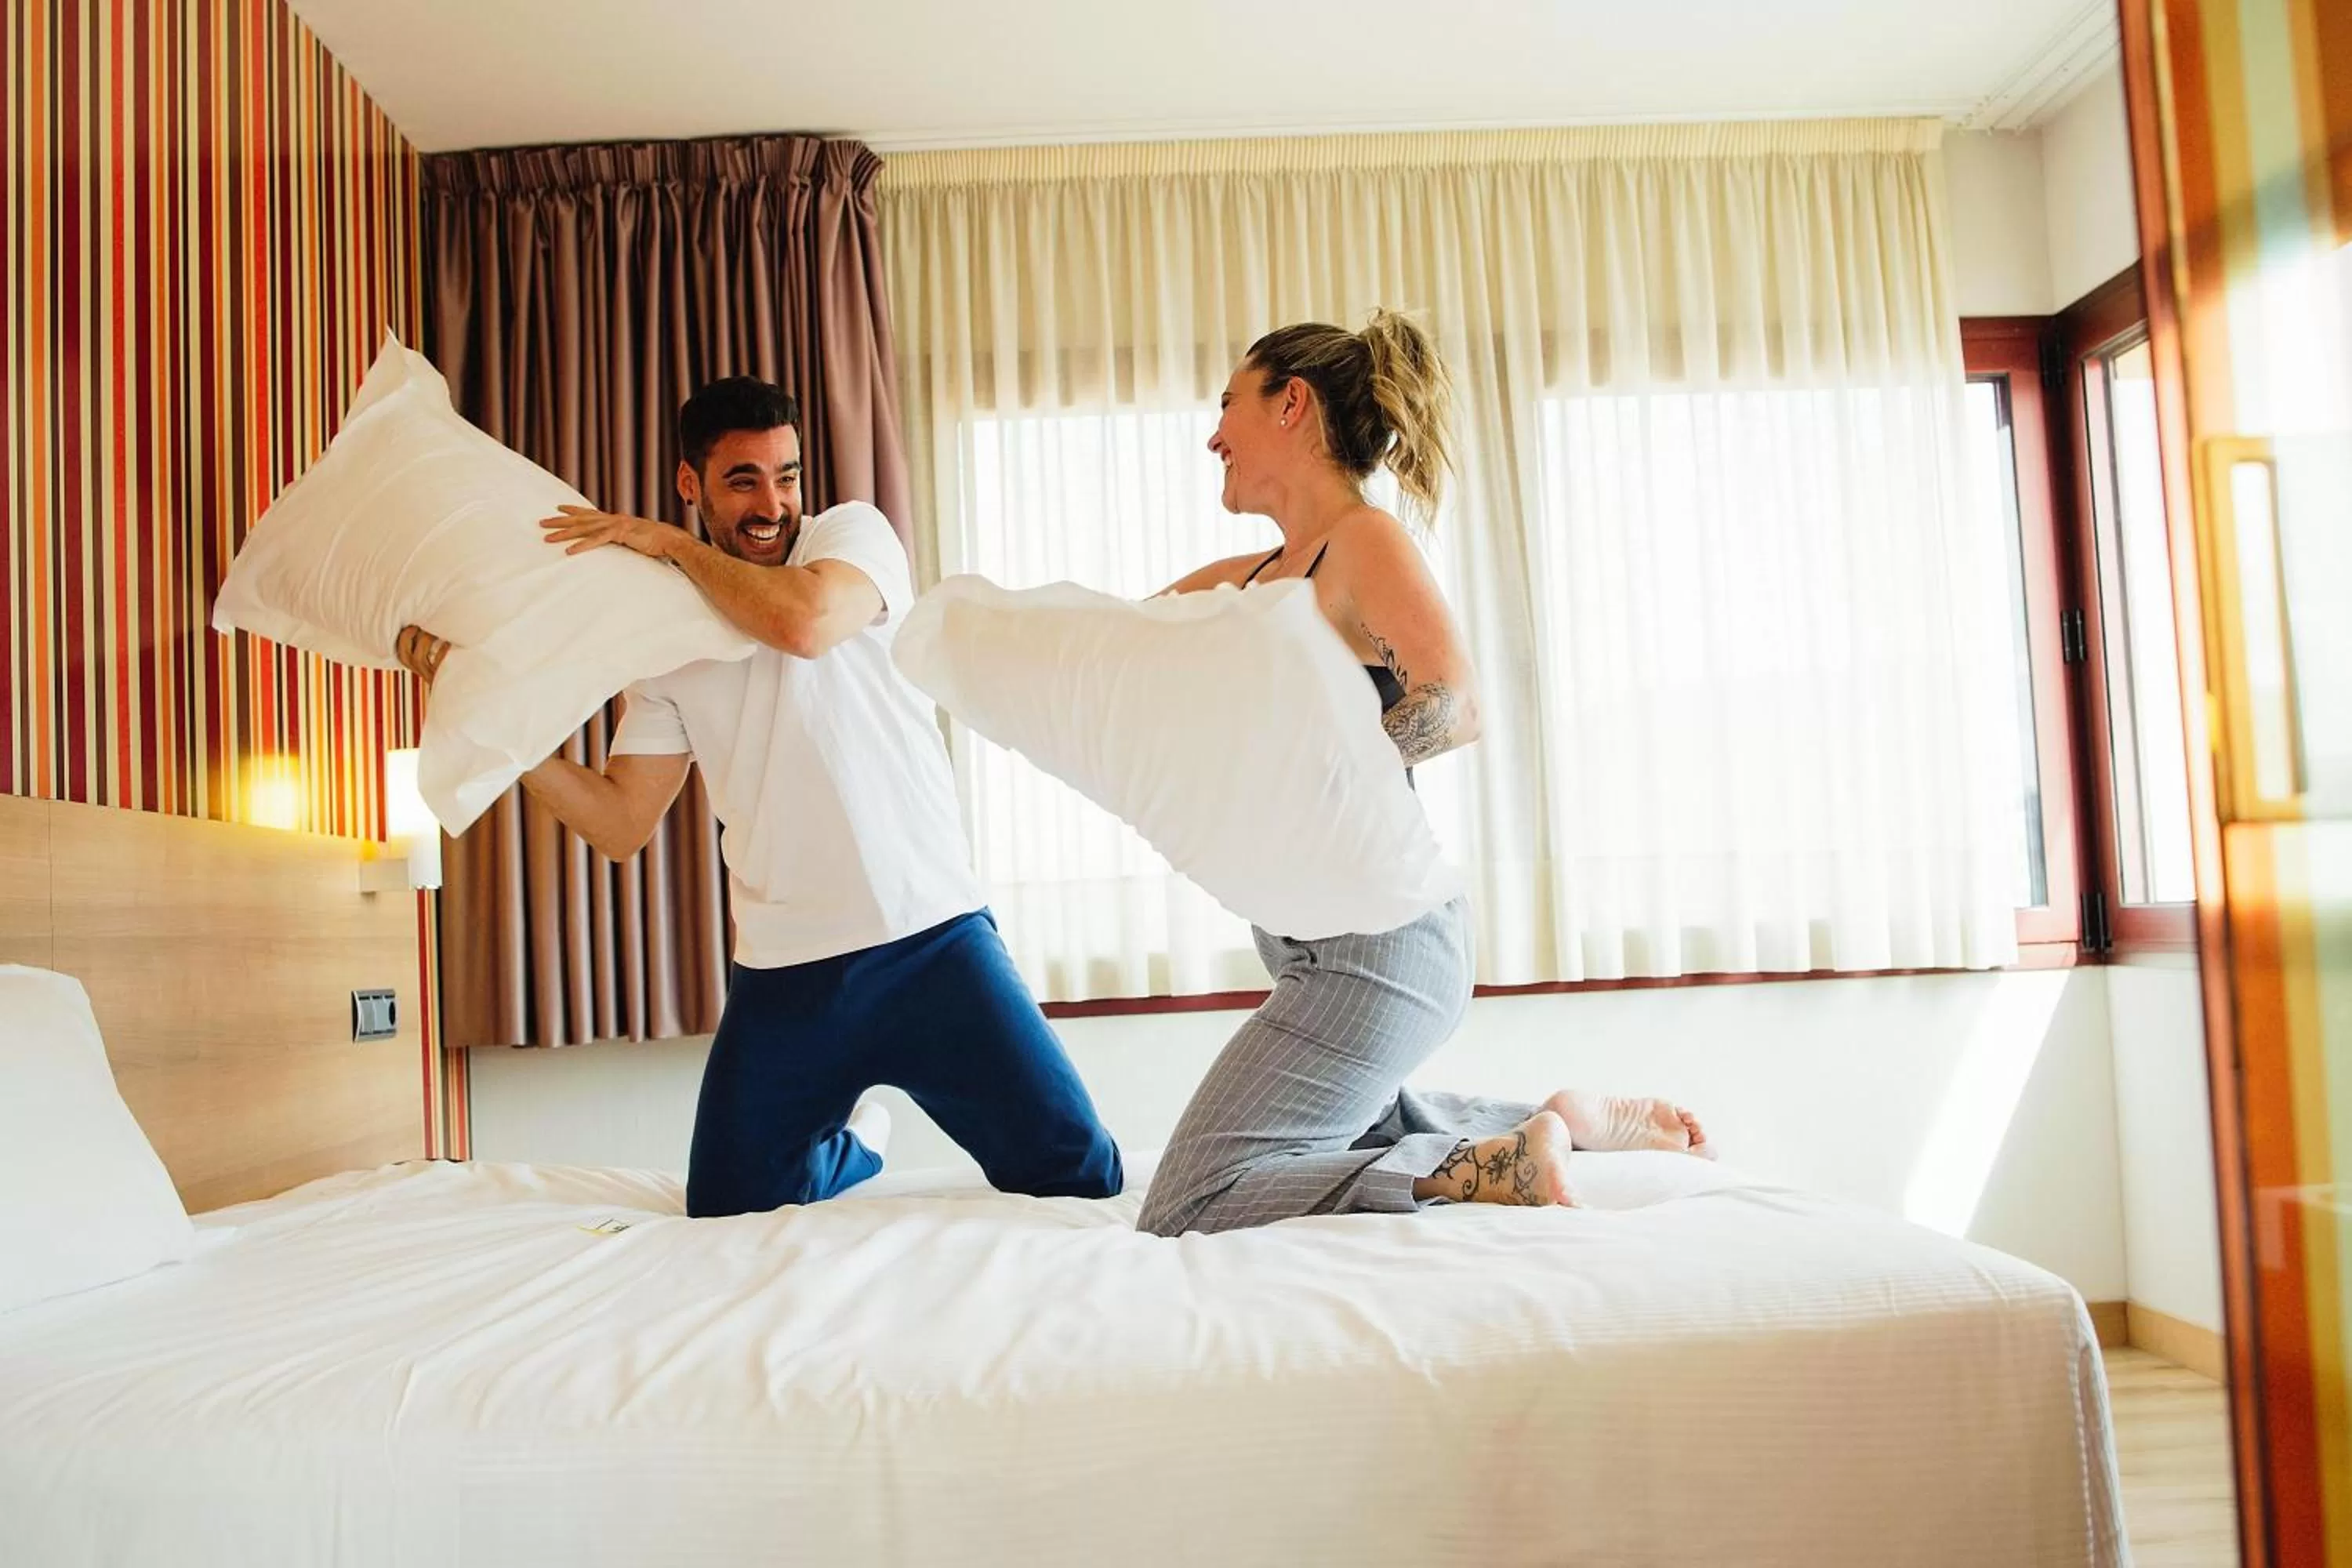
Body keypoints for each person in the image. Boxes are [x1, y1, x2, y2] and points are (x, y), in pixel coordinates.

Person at [397, 377, 1122, 1219]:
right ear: (690, 483)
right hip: (785, 972)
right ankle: (855, 1150)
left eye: (786, 475)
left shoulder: (851, 535)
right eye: (743, 479)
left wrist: (672, 548)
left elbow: (806, 625)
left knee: (1081, 1174)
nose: (773, 503)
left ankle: (866, 1130)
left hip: (931, 937)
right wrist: (492, 719)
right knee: (730, 1203)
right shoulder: (663, 639)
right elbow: (621, 821)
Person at [1136, 313, 1709, 1237]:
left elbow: (1455, 702)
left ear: (1293, 405)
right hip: (1308, 946)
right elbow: (1120, 642)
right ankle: (1553, 1123)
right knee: (1339, 1137)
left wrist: (1320, 772)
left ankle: (1520, 1149)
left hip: (1381, 949)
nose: (1213, 434)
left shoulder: (1361, 544)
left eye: (1227, 405)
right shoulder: (1252, 579)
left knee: (1190, 1199)